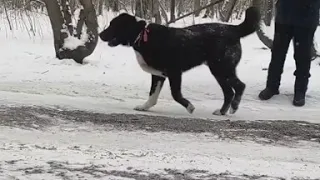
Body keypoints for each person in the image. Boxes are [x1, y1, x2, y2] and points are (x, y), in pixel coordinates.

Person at [259, 0, 320, 107]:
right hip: (284, 15)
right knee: (277, 54)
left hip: (307, 18)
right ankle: (272, 87)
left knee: (302, 57)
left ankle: (300, 91)